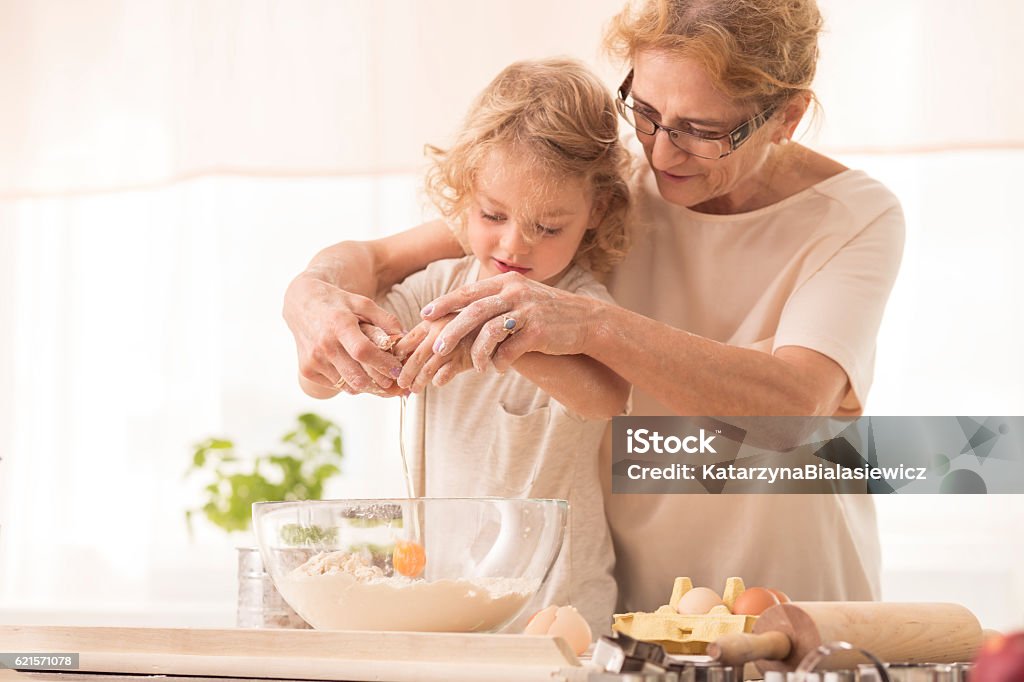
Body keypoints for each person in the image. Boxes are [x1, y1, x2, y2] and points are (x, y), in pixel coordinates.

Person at [284, 0, 905, 613]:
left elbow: (795, 406)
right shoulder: (593, 192)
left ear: (787, 116)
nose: (662, 156)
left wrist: (594, 325)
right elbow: (381, 258)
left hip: (795, 589)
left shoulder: (854, 217)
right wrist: (310, 298)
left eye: (703, 131)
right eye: (648, 112)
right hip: (631, 602)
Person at [302, 57, 633, 633]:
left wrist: (500, 338)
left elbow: (608, 397)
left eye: (548, 227)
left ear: (596, 211)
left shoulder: (584, 305)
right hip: (445, 603)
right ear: (463, 193)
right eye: (492, 214)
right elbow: (316, 381)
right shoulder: (438, 286)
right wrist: (359, 351)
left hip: (560, 612)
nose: (513, 243)